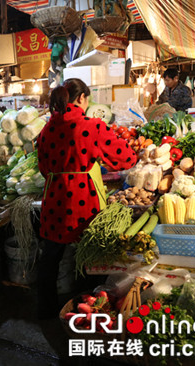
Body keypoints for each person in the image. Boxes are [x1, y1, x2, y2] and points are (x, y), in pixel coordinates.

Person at [35, 78, 137, 318]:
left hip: (54, 197)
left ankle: (46, 310)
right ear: (81, 99)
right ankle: (85, 308)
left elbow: (43, 168)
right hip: (83, 198)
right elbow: (126, 158)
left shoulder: (46, 129)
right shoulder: (91, 126)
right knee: (87, 254)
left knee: (51, 256)